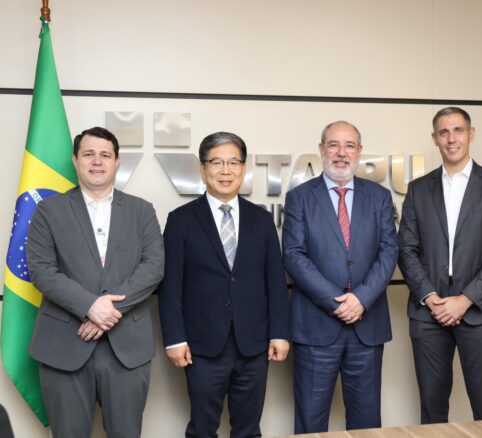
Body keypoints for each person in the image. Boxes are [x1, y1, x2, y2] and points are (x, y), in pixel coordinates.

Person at [27, 127, 165, 437]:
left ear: (117, 162)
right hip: (64, 344)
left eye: (105, 155)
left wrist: (107, 311)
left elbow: (153, 267)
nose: (97, 161)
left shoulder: (142, 210)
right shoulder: (48, 211)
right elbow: (42, 270)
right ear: (75, 160)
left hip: (127, 348)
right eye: (89, 154)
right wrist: (90, 306)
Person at [158, 132, 290, 438]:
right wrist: (174, 339)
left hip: (254, 344)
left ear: (243, 168)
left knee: (248, 430)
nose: (225, 170)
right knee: (202, 430)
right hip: (202, 347)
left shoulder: (261, 220)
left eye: (233, 162)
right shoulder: (181, 220)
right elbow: (170, 287)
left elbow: (275, 282)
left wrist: (280, 334)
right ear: (203, 168)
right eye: (217, 162)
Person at [398, 107, 482, 424]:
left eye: (458, 130)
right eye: (444, 132)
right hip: (429, 314)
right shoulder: (418, 189)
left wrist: (465, 299)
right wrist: (430, 297)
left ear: (471, 134)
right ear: (435, 138)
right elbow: (406, 249)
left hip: (480, 311)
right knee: (432, 410)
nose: (451, 139)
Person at [282, 121, 398, 433]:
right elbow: (293, 255)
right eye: (334, 145)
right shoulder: (299, 197)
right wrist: (337, 303)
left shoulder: (379, 197)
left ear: (359, 151)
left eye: (349, 145)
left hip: (367, 327)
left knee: (366, 424)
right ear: (321, 149)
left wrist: (361, 299)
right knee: (310, 422)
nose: (341, 153)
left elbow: (389, 252)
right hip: (316, 327)